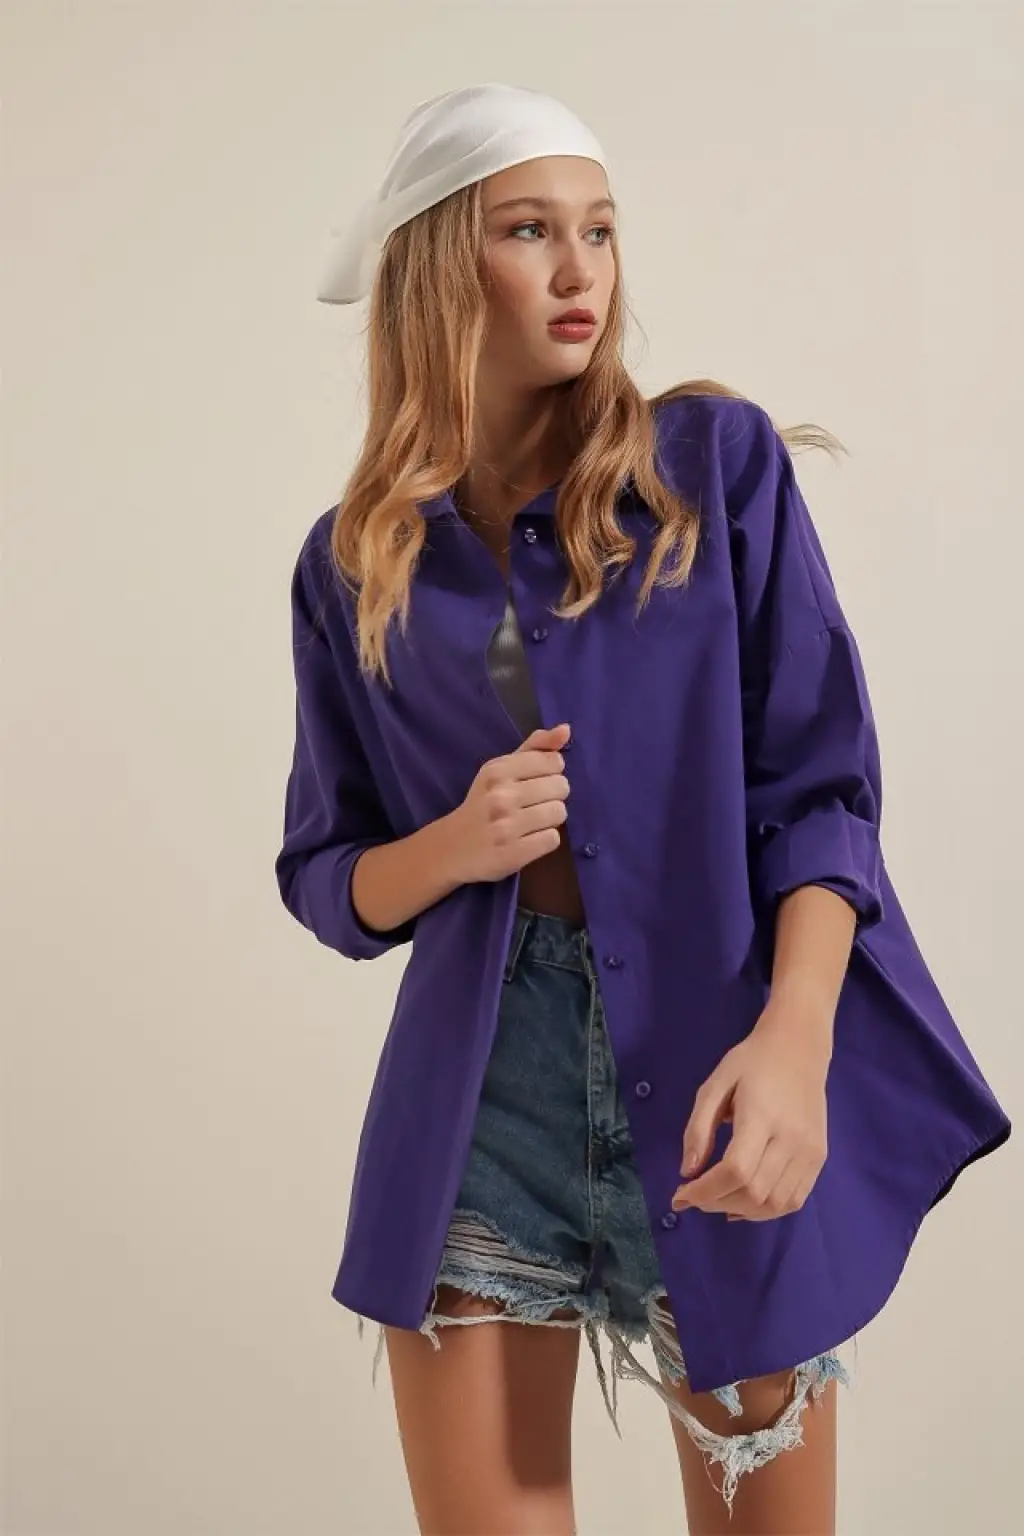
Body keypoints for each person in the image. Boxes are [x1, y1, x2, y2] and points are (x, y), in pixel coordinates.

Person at [274, 82, 1012, 1533]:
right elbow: (325, 874)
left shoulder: (710, 470)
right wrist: (455, 845)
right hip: (486, 1101)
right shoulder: (355, 562)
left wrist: (798, 1041)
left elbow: (822, 789)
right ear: (439, 266)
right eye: (529, 230)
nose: (579, 270)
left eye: (600, 231)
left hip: (723, 1065)